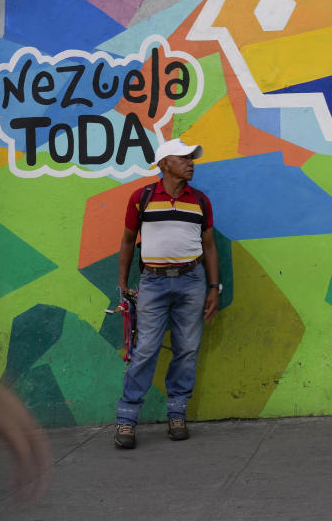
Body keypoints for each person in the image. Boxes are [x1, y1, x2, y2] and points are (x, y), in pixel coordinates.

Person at [113, 138, 221, 449]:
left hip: (192, 281)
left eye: (192, 158)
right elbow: (127, 240)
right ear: (164, 164)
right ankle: (127, 420)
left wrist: (214, 288)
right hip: (153, 283)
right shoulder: (142, 197)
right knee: (146, 348)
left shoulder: (200, 201)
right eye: (184, 157)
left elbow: (210, 247)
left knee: (187, 348)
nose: (191, 162)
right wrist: (122, 281)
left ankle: (177, 414)